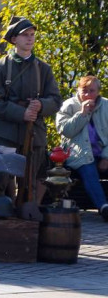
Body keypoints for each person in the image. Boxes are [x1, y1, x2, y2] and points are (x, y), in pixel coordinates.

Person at [0, 17, 62, 203]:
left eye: (32, 35)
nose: (30, 38)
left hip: (33, 132)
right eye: (25, 35)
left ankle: (28, 221)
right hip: (4, 132)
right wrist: (21, 113)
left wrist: (41, 105)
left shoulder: (44, 68)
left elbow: (56, 99)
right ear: (13, 39)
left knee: (32, 182)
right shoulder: (0, 67)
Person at [56, 76, 108, 220]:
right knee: (88, 168)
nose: (87, 94)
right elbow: (65, 130)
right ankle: (104, 207)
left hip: (102, 151)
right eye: (84, 90)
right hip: (78, 153)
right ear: (78, 90)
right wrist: (82, 114)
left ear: (98, 92)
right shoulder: (69, 105)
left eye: (92, 91)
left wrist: (106, 156)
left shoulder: (106, 106)